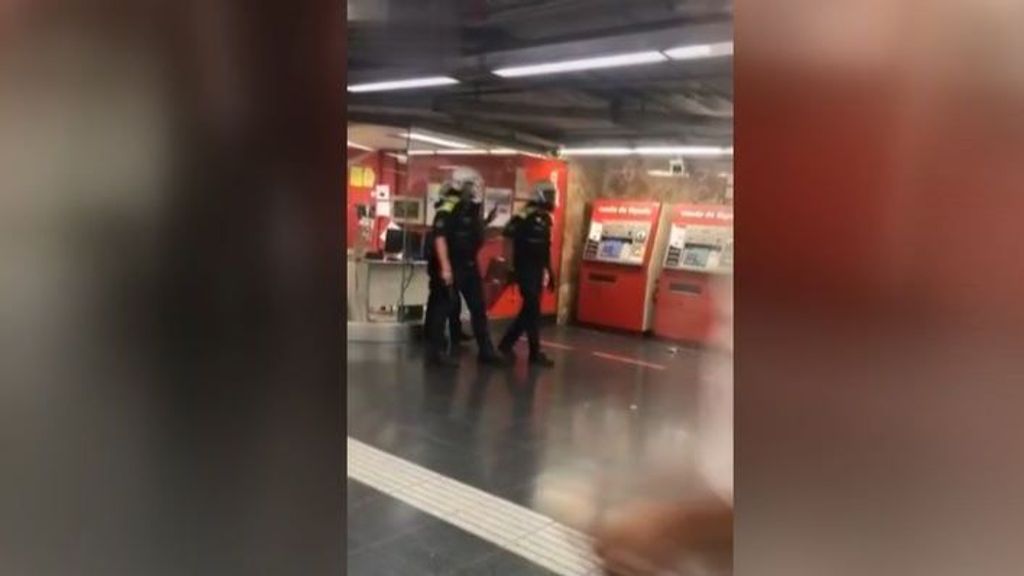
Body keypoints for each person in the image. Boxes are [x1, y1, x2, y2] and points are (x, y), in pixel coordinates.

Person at [424, 171, 505, 366]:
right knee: (443, 309)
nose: (474, 189)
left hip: (469, 265)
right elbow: (440, 237)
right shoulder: (449, 206)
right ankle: (436, 353)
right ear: (462, 185)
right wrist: (445, 268)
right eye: (471, 185)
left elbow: (473, 232)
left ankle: (486, 351)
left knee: (478, 308)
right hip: (451, 264)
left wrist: (488, 222)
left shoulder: (470, 208)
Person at [497, 181, 557, 368]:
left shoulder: (546, 219)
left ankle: (506, 344)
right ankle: (534, 352)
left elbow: (545, 248)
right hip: (524, 268)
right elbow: (507, 238)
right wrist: (510, 267)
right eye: (548, 195)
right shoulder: (524, 216)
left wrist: (550, 271)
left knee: (529, 310)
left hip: (538, 270)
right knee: (533, 309)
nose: (551, 199)